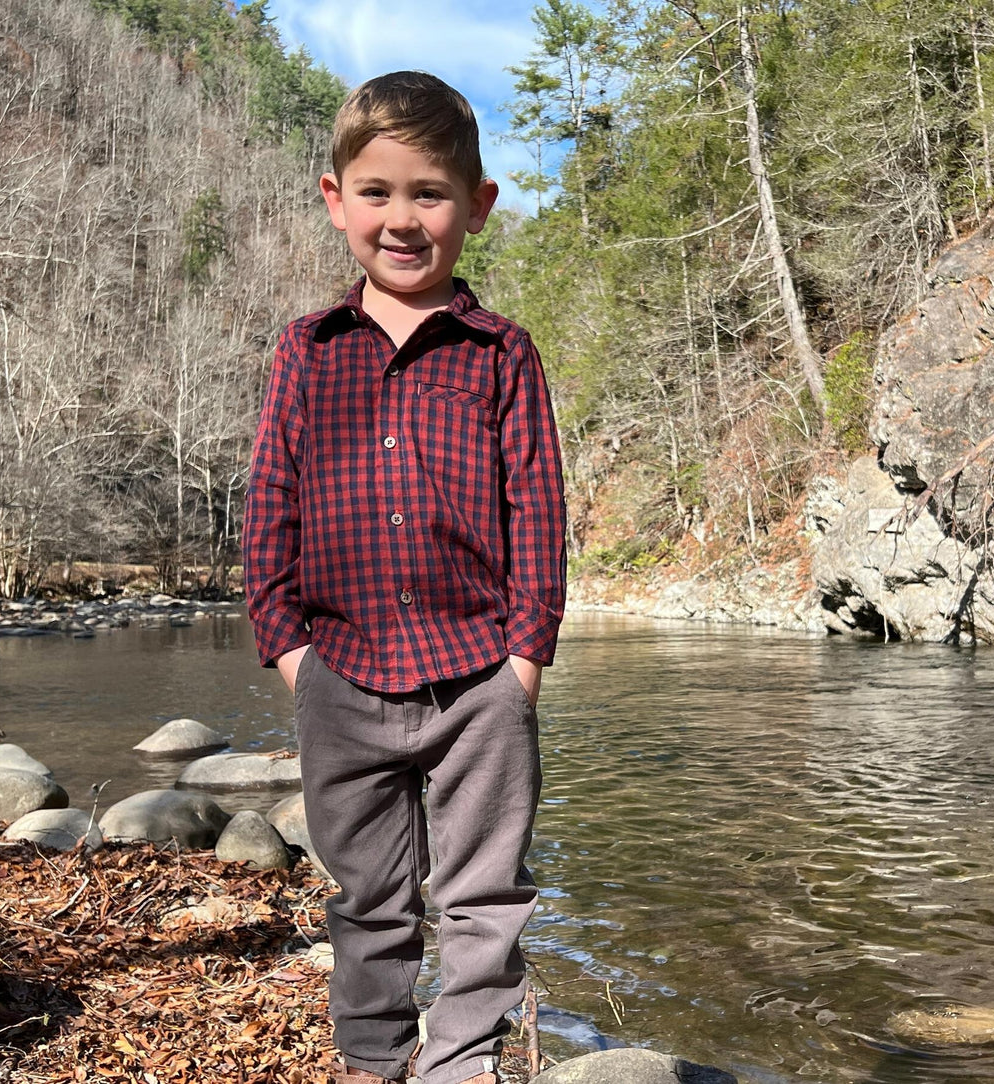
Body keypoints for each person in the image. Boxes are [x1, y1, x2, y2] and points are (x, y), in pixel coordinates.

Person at [243, 70, 567, 1084]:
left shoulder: (502, 353)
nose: (402, 218)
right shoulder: (308, 349)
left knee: (483, 895)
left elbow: (540, 517)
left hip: (479, 677)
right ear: (335, 198)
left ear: (476, 206)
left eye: (428, 194)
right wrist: (290, 651)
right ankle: (372, 1061)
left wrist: (522, 662)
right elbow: (268, 508)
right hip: (339, 672)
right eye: (376, 192)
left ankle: (460, 1062)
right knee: (367, 895)